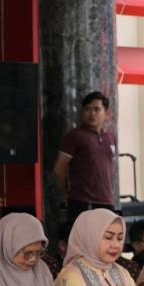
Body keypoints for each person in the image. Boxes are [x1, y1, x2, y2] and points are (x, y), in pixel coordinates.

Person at [53, 91, 117, 223]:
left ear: (106, 113)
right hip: (82, 202)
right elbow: (59, 168)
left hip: (107, 201)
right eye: (87, 109)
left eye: (96, 109)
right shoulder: (75, 136)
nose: (92, 113)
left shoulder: (110, 137)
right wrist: (67, 193)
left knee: (106, 239)